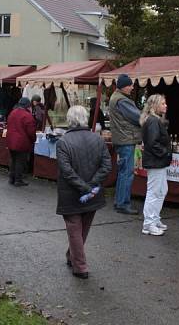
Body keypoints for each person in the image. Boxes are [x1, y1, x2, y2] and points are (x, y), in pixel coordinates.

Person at [56, 105, 112, 279]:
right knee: (82, 230)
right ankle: (72, 257)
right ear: (85, 118)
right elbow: (106, 166)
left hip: (73, 194)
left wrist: (86, 187)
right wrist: (91, 186)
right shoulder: (98, 139)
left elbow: (67, 172)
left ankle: (80, 267)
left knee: (75, 230)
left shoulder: (63, 142)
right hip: (92, 193)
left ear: (69, 120)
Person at [108, 74, 142, 215]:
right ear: (124, 86)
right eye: (130, 85)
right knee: (127, 173)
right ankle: (123, 204)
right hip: (126, 139)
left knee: (123, 172)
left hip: (121, 139)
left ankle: (119, 202)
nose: (132, 87)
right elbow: (137, 117)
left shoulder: (115, 98)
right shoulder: (122, 100)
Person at [140, 94, 171, 236]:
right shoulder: (153, 121)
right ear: (155, 105)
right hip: (156, 161)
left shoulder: (155, 120)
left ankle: (155, 219)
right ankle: (148, 223)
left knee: (161, 190)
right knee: (154, 192)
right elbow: (152, 143)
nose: (166, 106)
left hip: (158, 161)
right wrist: (164, 152)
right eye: (163, 103)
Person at [6, 97, 36, 186]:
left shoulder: (12, 112)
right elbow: (31, 131)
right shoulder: (27, 116)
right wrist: (33, 139)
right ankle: (18, 180)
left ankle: (11, 178)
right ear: (27, 106)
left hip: (11, 140)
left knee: (13, 159)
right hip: (21, 142)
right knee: (20, 161)